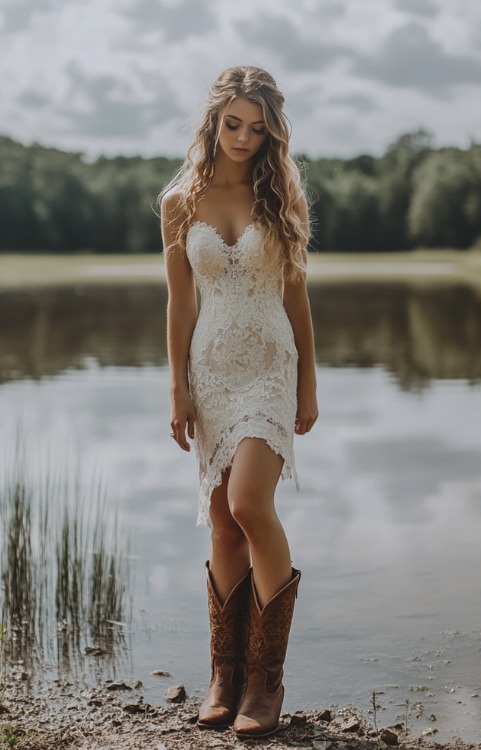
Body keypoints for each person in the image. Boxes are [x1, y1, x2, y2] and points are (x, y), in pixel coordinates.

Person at [160, 65, 318, 738]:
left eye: (258, 129)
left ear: (270, 132)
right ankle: (224, 677)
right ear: (213, 119)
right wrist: (178, 388)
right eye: (234, 124)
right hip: (211, 374)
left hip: (270, 368)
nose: (245, 138)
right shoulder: (179, 202)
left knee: (251, 504)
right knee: (223, 521)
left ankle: (266, 682)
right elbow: (179, 301)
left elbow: (296, 297)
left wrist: (310, 381)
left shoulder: (279, 198)